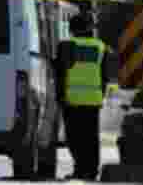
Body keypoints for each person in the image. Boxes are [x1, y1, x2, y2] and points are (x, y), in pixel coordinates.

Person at [56, 11, 112, 180]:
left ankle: (80, 169)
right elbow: (105, 76)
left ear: (72, 29)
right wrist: (101, 95)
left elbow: (60, 74)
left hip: (71, 99)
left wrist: (60, 96)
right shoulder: (100, 46)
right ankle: (92, 171)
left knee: (74, 137)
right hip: (93, 100)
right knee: (91, 138)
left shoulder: (66, 46)